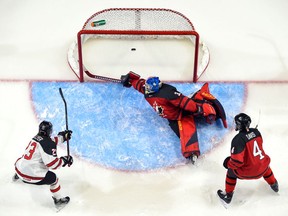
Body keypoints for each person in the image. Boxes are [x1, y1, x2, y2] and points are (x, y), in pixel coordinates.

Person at [120, 71, 227, 164]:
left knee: (186, 132)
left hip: (180, 114)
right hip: (172, 117)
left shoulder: (168, 93)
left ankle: (192, 152)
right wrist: (130, 80)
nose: (145, 88)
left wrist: (198, 109)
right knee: (180, 131)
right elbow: (140, 84)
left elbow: (184, 103)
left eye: (147, 87)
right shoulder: (148, 90)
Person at [217, 113, 279, 206]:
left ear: (239, 125)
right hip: (263, 168)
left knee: (231, 172)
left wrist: (227, 163)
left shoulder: (238, 139)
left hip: (248, 172)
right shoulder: (257, 132)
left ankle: (228, 195)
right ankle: (274, 185)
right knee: (264, 165)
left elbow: (237, 162)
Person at [13, 120, 73, 209]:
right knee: (54, 179)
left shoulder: (36, 137)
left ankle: (17, 176)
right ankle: (58, 201)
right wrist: (64, 160)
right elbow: (52, 164)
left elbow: (50, 141)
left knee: (23, 159)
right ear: (49, 131)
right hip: (31, 176)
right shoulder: (48, 143)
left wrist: (63, 137)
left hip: (19, 169)